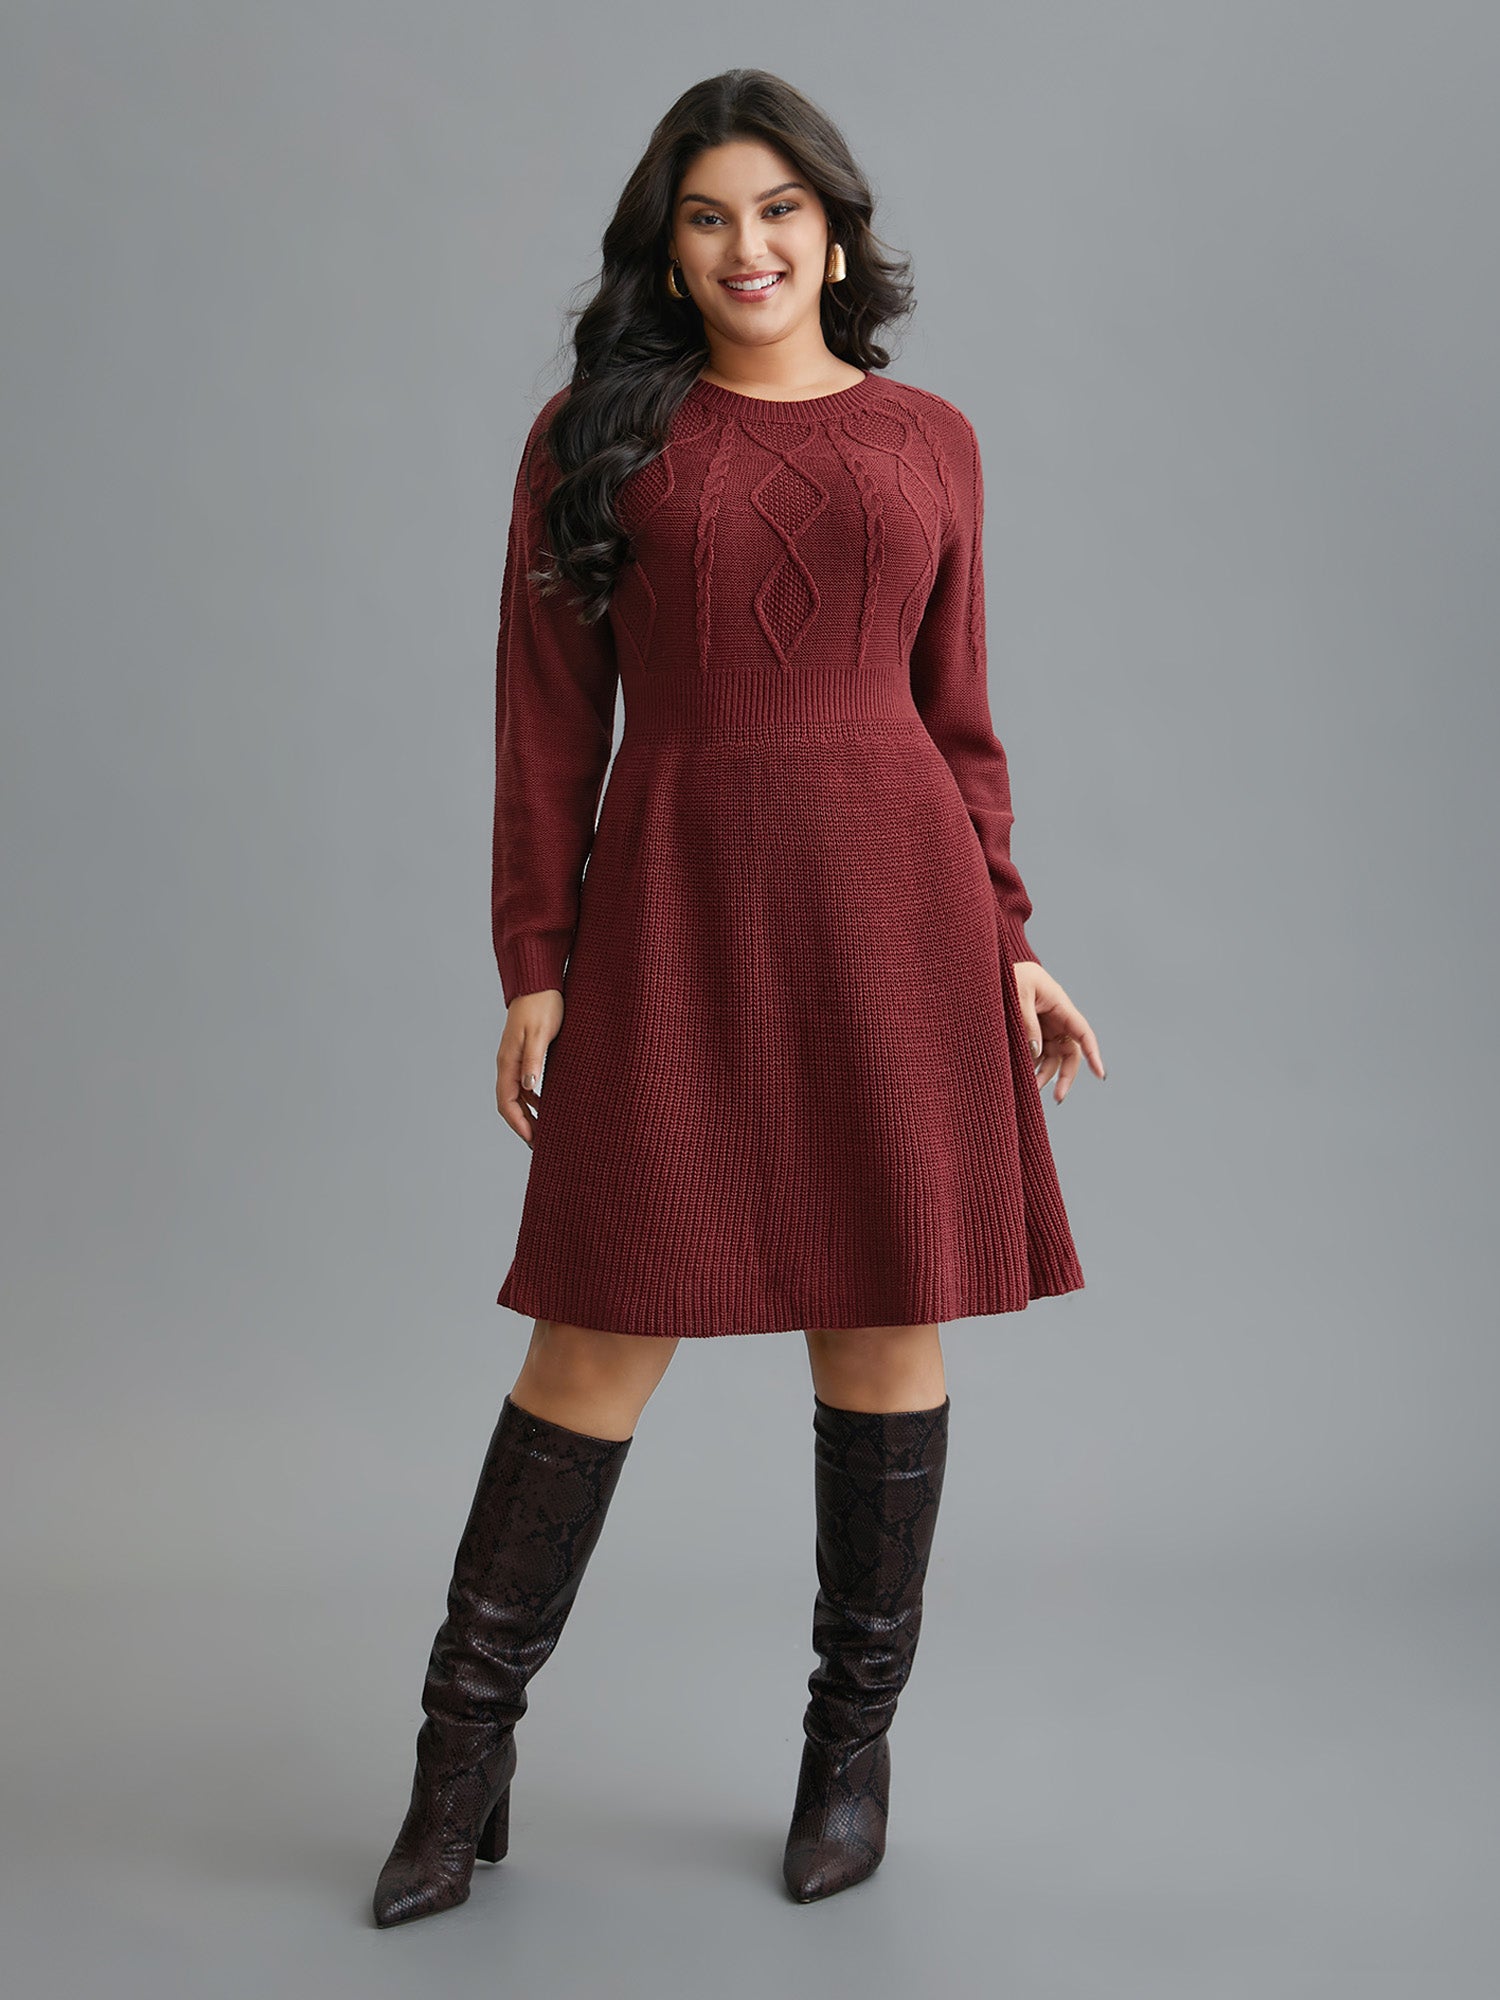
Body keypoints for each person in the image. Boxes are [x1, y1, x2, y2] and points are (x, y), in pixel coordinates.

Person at [372, 67, 1105, 1930]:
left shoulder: (931, 439)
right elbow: (547, 724)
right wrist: (534, 961)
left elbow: (960, 721)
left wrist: (1012, 939)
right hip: (677, 907)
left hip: (897, 914)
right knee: (596, 1336)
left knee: (880, 1322)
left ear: (836, 235)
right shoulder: (596, 438)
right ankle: (460, 1762)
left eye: (779, 211)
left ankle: (848, 1757)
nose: (747, 246)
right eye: (707, 218)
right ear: (669, 250)